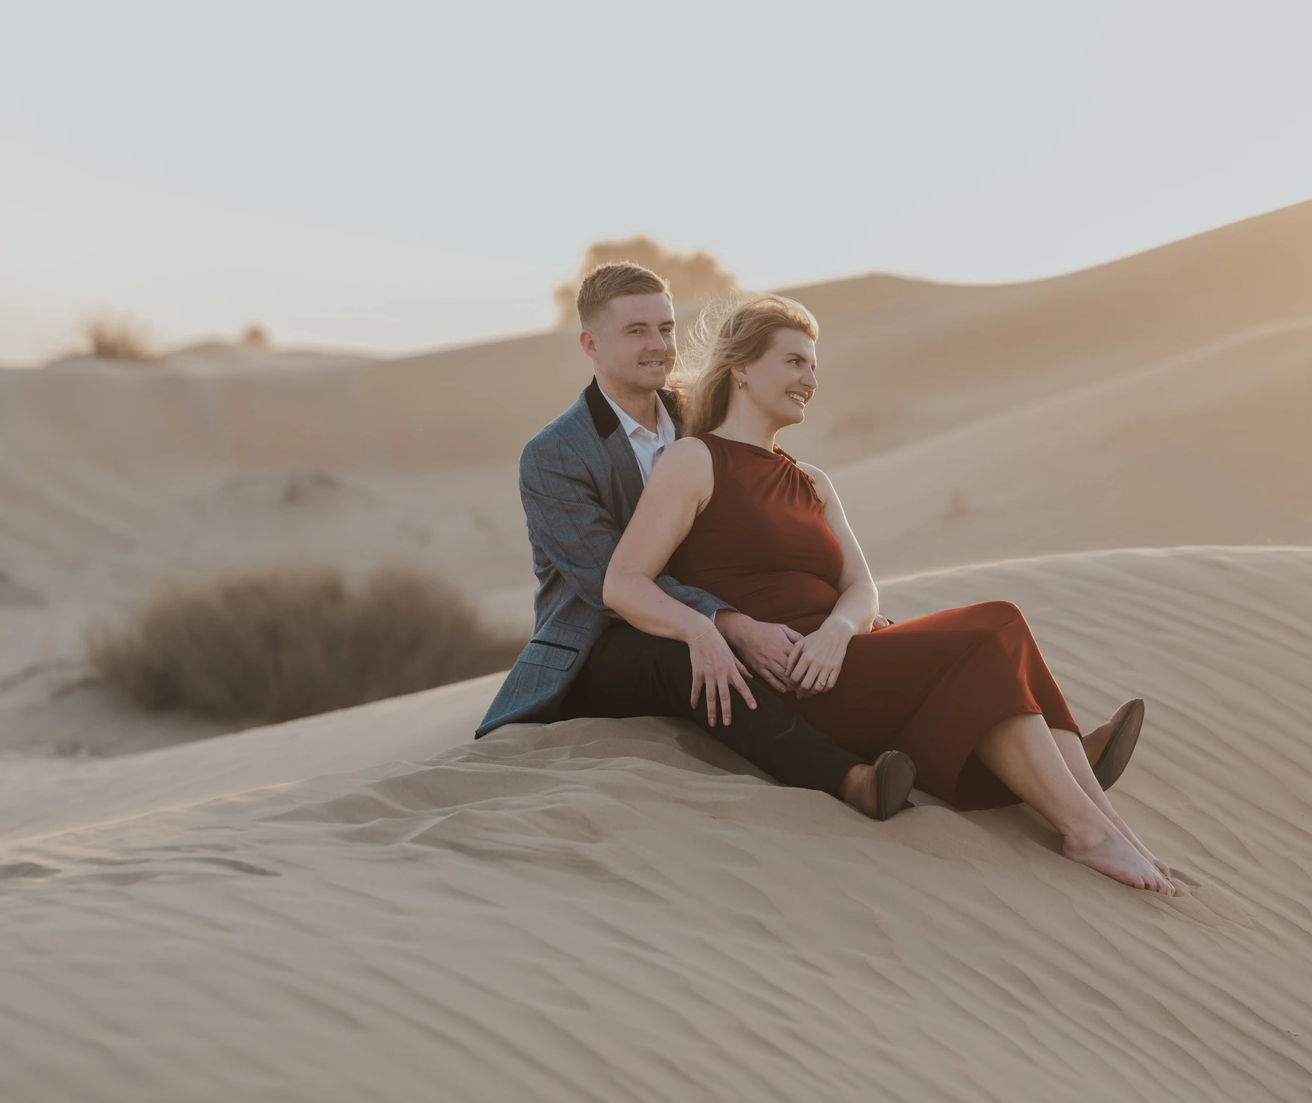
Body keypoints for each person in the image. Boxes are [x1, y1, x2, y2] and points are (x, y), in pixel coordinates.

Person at [603, 294, 1175, 893]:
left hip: (841, 654)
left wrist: (837, 632)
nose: (811, 380)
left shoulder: (811, 480)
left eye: (815, 367)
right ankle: (1087, 830)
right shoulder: (695, 461)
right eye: (795, 362)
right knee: (997, 624)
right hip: (794, 676)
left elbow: (861, 587)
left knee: (1009, 649)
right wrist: (708, 630)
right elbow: (624, 582)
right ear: (742, 368)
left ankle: (1110, 829)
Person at [475, 262, 918, 819]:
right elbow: (608, 581)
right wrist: (724, 624)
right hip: (600, 647)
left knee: (823, 635)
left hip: (709, 615)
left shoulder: (699, 417)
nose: (658, 345)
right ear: (590, 343)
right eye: (636, 331)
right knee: (688, 655)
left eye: (665, 328)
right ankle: (849, 779)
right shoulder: (554, 455)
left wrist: (834, 613)